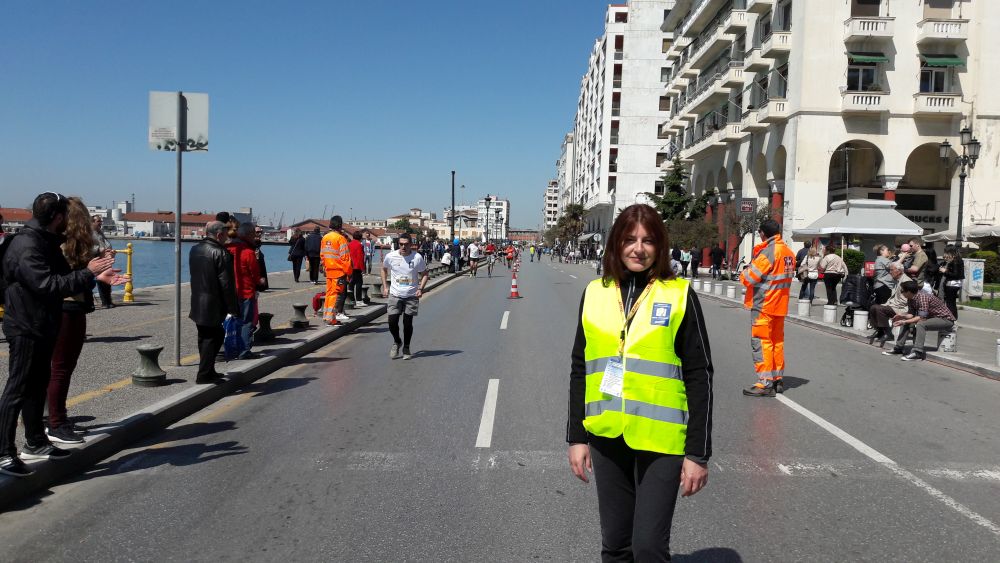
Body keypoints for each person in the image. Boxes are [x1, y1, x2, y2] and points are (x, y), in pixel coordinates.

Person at [566, 204, 713, 561]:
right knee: (616, 544)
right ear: (616, 243)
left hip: (662, 440)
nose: (638, 248)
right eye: (630, 239)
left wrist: (698, 453)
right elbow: (579, 368)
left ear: (659, 246)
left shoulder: (678, 294)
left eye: (648, 241)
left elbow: (700, 375)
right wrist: (576, 437)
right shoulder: (595, 292)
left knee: (648, 546)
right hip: (606, 435)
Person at [1, 192, 115, 477]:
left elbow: (65, 278)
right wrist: (89, 272)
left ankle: (36, 442)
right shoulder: (27, 244)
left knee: (37, 385)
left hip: (42, 323)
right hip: (26, 325)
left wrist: (96, 274)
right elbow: (48, 285)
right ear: (58, 217)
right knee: (17, 388)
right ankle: (4, 453)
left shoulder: (45, 240)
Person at [47, 198, 125, 445]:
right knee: (61, 368)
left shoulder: (62, 242)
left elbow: (75, 276)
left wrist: (99, 275)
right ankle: (55, 423)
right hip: (67, 307)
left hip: (69, 306)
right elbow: (68, 279)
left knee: (60, 368)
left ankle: (55, 418)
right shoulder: (64, 245)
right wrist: (94, 272)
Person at [740, 219, 796, 397]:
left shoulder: (768, 252)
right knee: (776, 343)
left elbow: (749, 278)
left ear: (763, 233)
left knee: (761, 342)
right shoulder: (788, 252)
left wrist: (745, 270)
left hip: (764, 305)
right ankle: (777, 379)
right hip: (780, 305)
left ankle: (764, 383)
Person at [189, 221, 238, 384]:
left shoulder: (195, 249)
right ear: (219, 235)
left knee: (204, 337)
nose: (227, 238)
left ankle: (209, 370)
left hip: (197, 299)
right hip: (213, 302)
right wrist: (233, 307)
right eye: (225, 234)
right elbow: (227, 284)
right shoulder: (221, 253)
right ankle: (204, 374)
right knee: (214, 337)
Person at [380, 233, 429, 360]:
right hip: (395, 294)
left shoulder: (417, 257)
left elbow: (425, 274)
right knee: (392, 322)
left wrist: (420, 288)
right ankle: (397, 341)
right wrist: (385, 287)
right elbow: (383, 269)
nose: (403, 247)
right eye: (401, 244)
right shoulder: (391, 256)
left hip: (411, 295)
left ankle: (406, 348)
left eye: (406, 244)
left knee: (407, 323)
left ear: (410, 244)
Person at [883, 280, 955, 361]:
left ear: (909, 292)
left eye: (902, 291)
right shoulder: (911, 298)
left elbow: (921, 317)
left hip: (945, 319)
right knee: (906, 321)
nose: (901, 293)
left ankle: (917, 352)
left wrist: (904, 321)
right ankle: (898, 348)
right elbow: (911, 315)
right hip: (932, 318)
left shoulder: (923, 297)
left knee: (921, 324)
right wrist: (901, 316)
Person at [226, 222, 261, 359]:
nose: (255, 237)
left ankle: (230, 348)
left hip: (229, 292)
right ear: (248, 235)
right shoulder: (248, 252)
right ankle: (244, 350)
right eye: (253, 234)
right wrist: (261, 281)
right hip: (245, 291)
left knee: (231, 321)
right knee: (246, 322)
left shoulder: (227, 249)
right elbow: (255, 275)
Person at [867, 262, 911, 346]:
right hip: (894, 305)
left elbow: (905, 301)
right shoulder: (897, 280)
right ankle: (880, 331)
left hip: (901, 308)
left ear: (899, 271)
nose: (890, 272)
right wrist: (887, 304)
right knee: (873, 307)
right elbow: (892, 297)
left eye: (891, 270)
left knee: (879, 309)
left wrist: (889, 305)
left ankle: (888, 333)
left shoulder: (906, 281)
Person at [320, 216, 352, 325]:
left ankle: (327, 316)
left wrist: (325, 267)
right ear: (340, 225)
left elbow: (322, 255)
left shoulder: (325, 238)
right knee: (335, 295)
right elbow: (345, 258)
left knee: (329, 294)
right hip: (339, 272)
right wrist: (349, 273)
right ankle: (331, 319)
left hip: (329, 271)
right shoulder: (340, 238)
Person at [91, 214, 115, 308]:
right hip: (97, 260)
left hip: (105, 260)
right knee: (100, 281)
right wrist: (100, 250)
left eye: (101, 221)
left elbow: (106, 244)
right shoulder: (89, 233)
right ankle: (104, 302)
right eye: (98, 221)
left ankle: (108, 301)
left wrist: (110, 250)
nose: (100, 223)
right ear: (92, 222)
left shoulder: (100, 232)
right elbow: (89, 247)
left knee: (107, 281)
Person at [938, 245, 964, 319]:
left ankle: (951, 319)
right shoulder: (957, 260)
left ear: (950, 252)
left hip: (952, 284)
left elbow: (955, 274)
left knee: (950, 303)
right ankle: (953, 318)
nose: (945, 254)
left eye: (946, 252)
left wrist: (945, 271)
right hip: (954, 284)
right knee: (951, 302)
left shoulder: (955, 261)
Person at [348, 230, 365, 306]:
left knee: (351, 283)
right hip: (357, 266)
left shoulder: (349, 244)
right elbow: (360, 257)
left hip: (350, 266)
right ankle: (359, 300)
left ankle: (351, 299)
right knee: (359, 283)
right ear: (360, 238)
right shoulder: (359, 245)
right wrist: (363, 268)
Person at [253, 225, 269, 292]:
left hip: (259, 258)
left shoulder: (258, 240)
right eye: (257, 232)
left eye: (260, 232)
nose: (259, 233)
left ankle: (262, 285)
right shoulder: (252, 241)